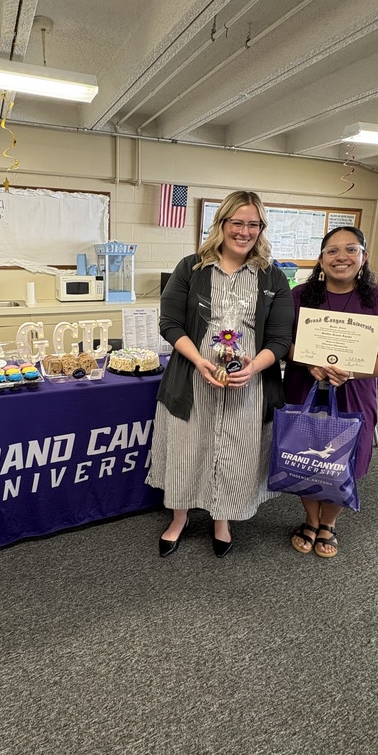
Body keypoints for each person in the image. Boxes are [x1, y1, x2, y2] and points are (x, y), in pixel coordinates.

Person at [146, 191, 294, 558]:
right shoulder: (191, 267)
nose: (244, 232)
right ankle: (179, 518)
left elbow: (279, 338)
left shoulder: (272, 276)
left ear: (261, 229)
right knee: (185, 447)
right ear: (222, 224)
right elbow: (170, 324)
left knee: (235, 451)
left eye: (253, 224)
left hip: (249, 383)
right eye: (237, 223)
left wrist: (254, 367)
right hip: (194, 377)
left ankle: (222, 520)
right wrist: (199, 361)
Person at [283, 227, 378, 559]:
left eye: (351, 249)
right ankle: (309, 519)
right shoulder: (298, 296)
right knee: (305, 454)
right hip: (305, 387)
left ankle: (329, 523)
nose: (341, 257)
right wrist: (308, 362)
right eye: (332, 251)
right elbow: (283, 343)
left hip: (354, 393)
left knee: (345, 459)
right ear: (321, 259)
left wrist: (351, 371)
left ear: (364, 257)